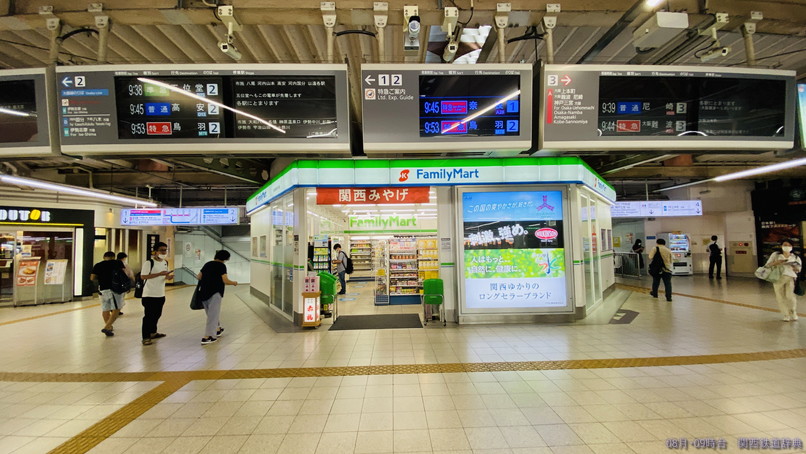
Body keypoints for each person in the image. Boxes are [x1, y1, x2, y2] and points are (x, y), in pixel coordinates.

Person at [196, 250, 238, 345]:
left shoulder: (207, 264)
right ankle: (209, 336)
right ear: (226, 258)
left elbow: (199, 277)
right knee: (213, 315)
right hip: (215, 293)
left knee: (210, 313)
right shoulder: (221, 266)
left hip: (204, 292)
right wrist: (234, 283)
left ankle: (217, 329)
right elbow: (225, 280)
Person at [140, 242, 173, 345]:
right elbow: (143, 276)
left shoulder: (165, 262)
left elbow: (164, 276)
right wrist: (159, 274)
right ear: (155, 251)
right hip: (149, 294)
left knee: (157, 315)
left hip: (160, 294)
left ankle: (153, 332)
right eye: (162, 250)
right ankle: (145, 337)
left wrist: (168, 277)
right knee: (148, 316)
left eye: (165, 250)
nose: (164, 252)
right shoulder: (149, 263)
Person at [89, 251, 126, 336]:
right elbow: (123, 273)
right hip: (115, 289)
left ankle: (108, 327)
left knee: (105, 308)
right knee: (117, 308)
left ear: (104, 257)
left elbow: (92, 278)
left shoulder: (98, 265)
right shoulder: (117, 263)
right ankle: (107, 326)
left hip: (102, 289)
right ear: (113, 257)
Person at [764, 239, 802, 322]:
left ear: (792, 247)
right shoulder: (776, 255)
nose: (787, 247)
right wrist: (777, 262)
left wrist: (794, 267)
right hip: (777, 278)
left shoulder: (795, 257)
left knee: (790, 296)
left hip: (790, 277)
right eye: (785, 245)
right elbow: (767, 265)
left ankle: (793, 312)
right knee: (780, 296)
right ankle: (786, 314)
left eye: (789, 245)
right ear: (781, 246)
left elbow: (799, 269)